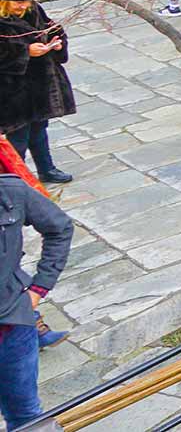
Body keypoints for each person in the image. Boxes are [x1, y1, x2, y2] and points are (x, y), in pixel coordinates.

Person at [0, 144, 71, 428]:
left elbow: (60, 227)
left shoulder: (10, 193)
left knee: (26, 415)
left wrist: (39, 289)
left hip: (12, 329)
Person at [0, 0, 74, 187]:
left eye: (25, 1)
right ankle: (15, 180)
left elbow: (52, 27)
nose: (22, 6)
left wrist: (57, 43)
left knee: (39, 130)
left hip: (39, 83)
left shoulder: (34, 10)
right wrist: (25, 52)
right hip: (11, 90)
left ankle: (46, 169)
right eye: (17, 2)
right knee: (18, 137)